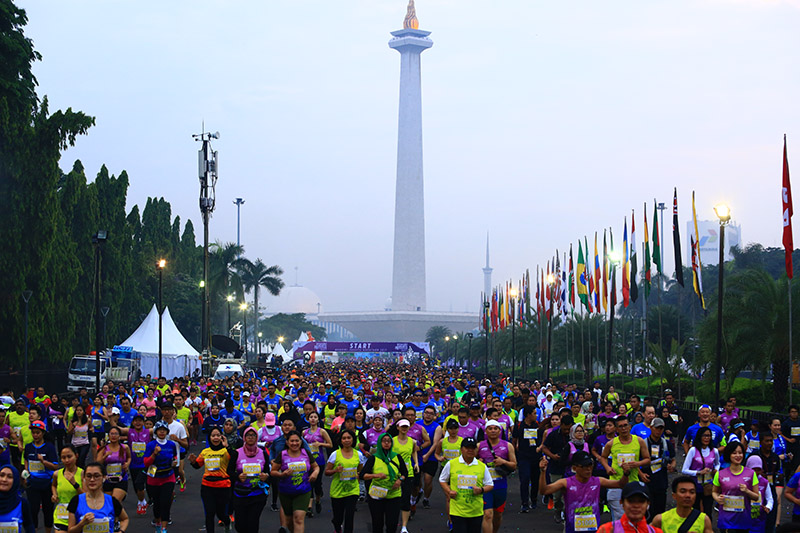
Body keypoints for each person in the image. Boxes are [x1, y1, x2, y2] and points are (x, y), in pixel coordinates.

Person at [539, 451, 627, 533]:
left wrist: (626, 473)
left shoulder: (598, 481)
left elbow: (620, 484)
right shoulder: (566, 483)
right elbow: (544, 491)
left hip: (593, 529)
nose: (588, 469)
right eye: (584, 466)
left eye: (590, 465)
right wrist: (543, 472)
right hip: (572, 529)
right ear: (574, 468)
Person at [600, 415, 651, 522]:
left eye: (625, 425)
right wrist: (607, 468)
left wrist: (636, 464)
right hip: (615, 483)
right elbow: (603, 457)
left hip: (633, 483)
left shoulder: (639, 441)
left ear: (629, 426)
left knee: (633, 517)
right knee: (619, 517)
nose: (623, 428)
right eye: (620, 426)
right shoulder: (611, 443)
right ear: (616, 429)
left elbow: (647, 460)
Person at [438, 437, 494, 533]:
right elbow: (442, 479)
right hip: (457, 510)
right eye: (467, 447)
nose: (470, 450)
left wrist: (481, 490)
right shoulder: (452, 464)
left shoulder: (481, 466)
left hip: (476, 511)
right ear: (461, 449)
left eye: (473, 448)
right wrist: (449, 491)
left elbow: (490, 484)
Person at [271, 429, 319, 533]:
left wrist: (315, 473)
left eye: (297, 441)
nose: (294, 443)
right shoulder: (282, 455)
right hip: (286, 492)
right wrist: (282, 474)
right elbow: (273, 471)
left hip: (303, 490)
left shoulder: (306, 453)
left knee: (298, 518)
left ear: (301, 441)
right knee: (289, 521)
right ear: (287, 443)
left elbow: (316, 467)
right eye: (292, 441)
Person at [188, 427, 232, 533]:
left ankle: (227, 522)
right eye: (213, 436)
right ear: (209, 438)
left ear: (222, 437)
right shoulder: (205, 452)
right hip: (207, 487)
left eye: (218, 435)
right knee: (209, 513)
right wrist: (193, 462)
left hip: (223, 487)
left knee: (220, 514)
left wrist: (228, 447)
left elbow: (234, 459)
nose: (215, 438)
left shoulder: (226, 451)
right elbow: (198, 465)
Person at [362, 432, 407, 533]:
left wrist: (400, 480)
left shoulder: (397, 457)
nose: (386, 443)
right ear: (379, 443)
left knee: (392, 523)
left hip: (394, 494)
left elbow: (405, 473)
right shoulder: (374, 458)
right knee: (377, 523)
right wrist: (375, 475)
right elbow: (363, 475)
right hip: (377, 494)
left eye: (389, 441)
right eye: (384, 441)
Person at [477, 419, 516, 533]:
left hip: (500, 485)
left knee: (497, 515)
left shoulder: (507, 446)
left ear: (500, 431)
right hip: (485, 486)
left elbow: (514, 465)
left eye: (495, 428)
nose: (493, 431)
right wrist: (478, 462)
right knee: (488, 514)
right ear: (486, 431)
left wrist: (503, 462)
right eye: (490, 428)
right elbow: (469, 463)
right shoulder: (479, 446)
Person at [712, 441, 760, 533]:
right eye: (734, 453)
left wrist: (746, 491)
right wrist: (717, 498)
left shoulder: (751, 473)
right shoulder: (720, 474)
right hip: (726, 519)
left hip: (743, 519)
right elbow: (714, 491)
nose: (738, 455)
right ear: (729, 455)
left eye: (740, 453)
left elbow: (756, 496)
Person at [232, 426, 271, 532]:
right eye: (248, 435)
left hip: (257, 495)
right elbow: (229, 472)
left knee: (252, 523)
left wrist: (266, 476)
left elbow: (268, 472)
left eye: (253, 435)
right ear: (244, 437)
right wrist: (238, 477)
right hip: (240, 494)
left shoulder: (262, 453)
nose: (251, 438)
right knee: (240, 525)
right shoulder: (237, 453)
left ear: (257, 437)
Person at [143, 420, 179, 532]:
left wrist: (174, 462)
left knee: (166, 502)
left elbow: (175, 457)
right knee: (157, 503)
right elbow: (146, 463)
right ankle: (158, 523)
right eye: (160, 430)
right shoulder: (151, 445)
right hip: (154, 478)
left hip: (168, 477)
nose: (162, 432)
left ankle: (164, 527)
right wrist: (154, 454)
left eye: (164, 430)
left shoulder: (171, 444)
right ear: (156, 432)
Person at [325, 429, 364, 533]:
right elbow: (327, 472)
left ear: (353, 440)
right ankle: (337, 527)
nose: (346, 440)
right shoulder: (335, 454)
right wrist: (335, 470)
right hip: (337, 490)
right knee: (338, 517)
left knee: (349, 516)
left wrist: (358, 475)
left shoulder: (358, 455)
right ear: (341, 440)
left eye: (349, 438)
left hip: (352, 490)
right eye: (344, 438)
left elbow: (360, 470)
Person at [24, 419, 58, 532]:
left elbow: (55, 466)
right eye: (33, 432)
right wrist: (26, 472)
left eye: (37, 433)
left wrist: (44, 462)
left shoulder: (49, 447)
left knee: (48, 510)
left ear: (43, 433)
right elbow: (26, 459)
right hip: (33, 484)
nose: (35, 435)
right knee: (33, 510)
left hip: (47, 484)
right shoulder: (28, 447)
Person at [641, 418, 675, 520]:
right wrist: (641, 474)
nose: (659, 431)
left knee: (659, 512)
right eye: (657, 428)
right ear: (651, 428)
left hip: (661, 482)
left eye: (661, 428)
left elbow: (673, 460)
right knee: (646, 512)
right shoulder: (643, 443)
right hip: (647, 481)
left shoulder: (666, 444)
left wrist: (672, 466)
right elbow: (636, 462)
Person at [597, 481, 664, 533]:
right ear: (622, 502)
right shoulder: (606, 530)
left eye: (641, 501)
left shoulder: (656, 532)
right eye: (631, 501)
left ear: (648, 504)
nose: (636, 505)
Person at [681, 427, 720, 515]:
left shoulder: (714, 451)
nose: (707, 438)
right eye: (704, 436)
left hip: (708, 485)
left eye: (709, 436)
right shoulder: (693, 450)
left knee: (708, 510)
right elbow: (684, 470)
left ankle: (708, 527)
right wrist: (698, 472)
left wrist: (716, 469)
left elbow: (717, 463)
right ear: (700, 437)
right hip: (695, 485)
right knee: (695, 510)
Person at [392, 418, 420, 533]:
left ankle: (404, 526)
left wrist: (416, 463)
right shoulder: (392, 441)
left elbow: (414, 451)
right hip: (395, 473)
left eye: (406, 427)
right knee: (394, 499)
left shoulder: (412, 441)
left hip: (408, 473)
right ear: (398, 427)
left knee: (406, 499)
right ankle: (392, 522)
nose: (404, 429)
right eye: (402, 426)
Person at [302, 411, 332, 516]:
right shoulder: (304, 433)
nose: (313, 419)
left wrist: (320, 444)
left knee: (318, 484)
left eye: (315, 417)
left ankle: (318, 500)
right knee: (310, 482)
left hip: (319, 461)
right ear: (308, 419)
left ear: (318, 419)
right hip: (308, 462)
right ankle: (309, 507)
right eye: (311, 417)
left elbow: (330, 444)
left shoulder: (322, 431)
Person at [512, 405, 539, 513]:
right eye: (534, 413)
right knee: (524, 479)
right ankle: (524, 503)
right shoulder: (519, 426)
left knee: (535, 480)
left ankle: (534, 500)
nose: (536, 416)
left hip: (535, 457)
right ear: (528, 415)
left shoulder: (537, 425)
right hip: (523, 457)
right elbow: (514, 439)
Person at [50, 445, 83, 533]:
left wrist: (75, 484)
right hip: (61, 516)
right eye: (63, 458)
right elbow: (53, 485)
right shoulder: (57, 474)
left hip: (77, 516)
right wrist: (54, 494)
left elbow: (85, 496)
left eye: (69, 456)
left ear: (76, 456)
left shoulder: (83, 474)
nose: (67, 460)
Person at [97, 426, 130, 503]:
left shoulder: (125, 447)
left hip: (121, 479)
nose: (113, 436)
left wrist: (127, 464)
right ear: (108, 436)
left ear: (119, 436)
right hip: (108, 480)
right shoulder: (104, 449)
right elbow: (98, 463)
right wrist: (105, 456)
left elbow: (129, 458)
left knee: (115, 501)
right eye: (111, 434)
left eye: (116, 434)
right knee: (110, 504)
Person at [0, 465, 34, 532]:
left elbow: (29, 527)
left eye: (9, 477)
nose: (4, 479)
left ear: (15, 480)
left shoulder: (22, 504)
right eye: (1, 475)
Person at [745, 455, 774, 533]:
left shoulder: (764, 482)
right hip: (744, 517)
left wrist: (768, 507)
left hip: (759, 518)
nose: (756, 472)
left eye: (758, 470)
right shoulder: (744, 480)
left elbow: (770, 498)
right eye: (753, 469)